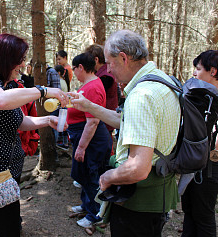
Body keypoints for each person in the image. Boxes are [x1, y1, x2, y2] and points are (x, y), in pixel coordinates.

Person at [69, 30, 180, 236]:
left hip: (138, 199)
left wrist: (109, 176)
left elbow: (137, 168)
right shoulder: (162, 81)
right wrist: (89, 106)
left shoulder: (141, 96)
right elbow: (129, 122)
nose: (109, 70)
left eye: (110, 63)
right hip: (159, 193)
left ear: (123, 58)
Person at [0, 33, 68, 237]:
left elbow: (20, 122)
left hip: (9, 171)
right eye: (20, 60)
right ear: (6, 59)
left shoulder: (6, 86)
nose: (23, 65)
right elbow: (1, 101)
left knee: (11, 224)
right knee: (6, 229)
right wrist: (42, 90)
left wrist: (47, 121)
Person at [67, 53, 112, 228]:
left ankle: (96, 215)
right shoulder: (87, 85)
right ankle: (87, 206)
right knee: (84, 175)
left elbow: (92, 121)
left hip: (92, 140)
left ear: (80, 67)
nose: (74, 73)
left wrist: (81, 147)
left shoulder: (93, 86)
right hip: (84, 135)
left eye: (74, 69)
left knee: (92, 175)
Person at [181, 50, 218, 237]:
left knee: (203, 215)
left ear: (212, 71)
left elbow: (217, 142)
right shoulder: (207, 99)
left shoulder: (217, 100)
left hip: (209, 166)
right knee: (190, 211)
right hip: (198, 162)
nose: (194, 73)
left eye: (198, 69)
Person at [85, 44, 118, 135]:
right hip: (104, 120)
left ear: (96, 60)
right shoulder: (102, 74)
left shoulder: (105, 76)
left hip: (104, 122)